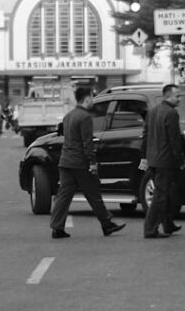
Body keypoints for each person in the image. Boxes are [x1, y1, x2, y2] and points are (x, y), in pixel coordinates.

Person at [49, 86, 127, 239]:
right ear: (87, 99)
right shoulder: (84, 117)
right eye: (91, 97)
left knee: (63, 196)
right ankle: (107, 224)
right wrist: (92, 162)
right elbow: (87, 142)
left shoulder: (69, 116)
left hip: (66, 161)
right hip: (80, 162)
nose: (93, 100)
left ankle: (57, 227)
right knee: (93, 194)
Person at [140, 84, 185, 239]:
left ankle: (168, 224)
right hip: (165, 160)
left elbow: (145, 135)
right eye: (177, 96)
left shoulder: (152, 112)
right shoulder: (171, 113)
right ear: (167, 96)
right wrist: (179, 160)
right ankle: (150, 228)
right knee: (160, 195)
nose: (180, 99)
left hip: (153, 159)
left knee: (162, 193)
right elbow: (174, 140)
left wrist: (144, 156)